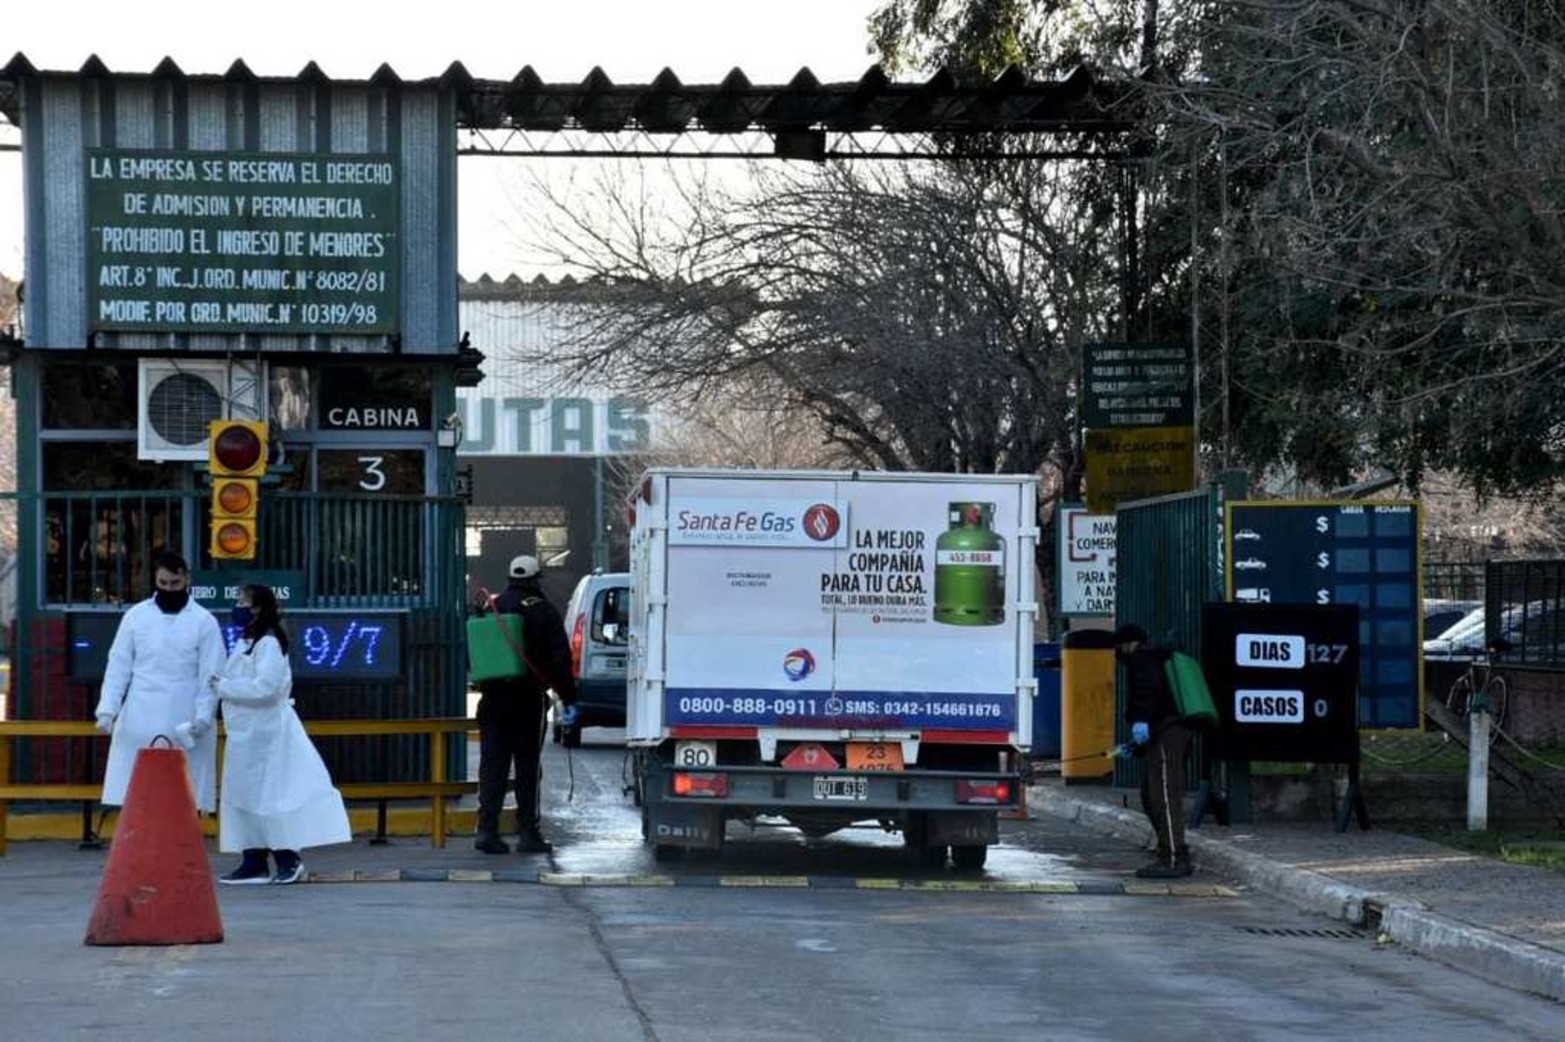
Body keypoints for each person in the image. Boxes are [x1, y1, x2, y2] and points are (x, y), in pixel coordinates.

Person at [202, 584, 351, 885]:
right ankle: (253, 860)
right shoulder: (250, 641)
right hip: (247, 735)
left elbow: (266, 689)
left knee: (271, 798)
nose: (238, 607)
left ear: (258, 608)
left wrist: (223, 687)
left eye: (243, 601)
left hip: (266, 735)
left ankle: (287, 859)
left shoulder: (268, 643)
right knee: (245, 796)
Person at [95, 551, 227, 815]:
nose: (168, 589)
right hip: (139, 714)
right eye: (163, 583)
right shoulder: (135, 617)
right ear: (155, 580)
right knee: (137, 795)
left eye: (174, 584)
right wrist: (107, 710)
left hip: (185, 716)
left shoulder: (204, 621)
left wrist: (203, 716)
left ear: (186, 580)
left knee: (182, 795)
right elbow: (118, 666)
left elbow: (211, 674)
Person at [473, 554, 578, 855]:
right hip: (526, 702)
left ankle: (487, 831)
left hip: (492, 702)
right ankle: (528, 833)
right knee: (527, 769)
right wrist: (569, 699)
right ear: (535, 579)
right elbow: (560, 659)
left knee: (492, 767)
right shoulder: (542, 610)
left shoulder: (490, 607)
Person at [1116, 623, 1193, 880]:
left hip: (1167, 733)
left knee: (1163, 794)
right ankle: (1168, 850)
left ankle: (1173, 858)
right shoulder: (1151, 658)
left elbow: (1148, 693)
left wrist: (1140, 720)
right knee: (1150, 794)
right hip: (1163, 734)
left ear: (1127, 643)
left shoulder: (1143, 658)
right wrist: (1135, 746)